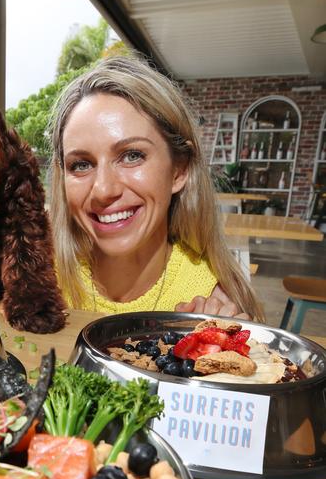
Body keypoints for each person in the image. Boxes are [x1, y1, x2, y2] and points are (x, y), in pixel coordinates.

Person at [49, 56, 264, 321]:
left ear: (179, 169)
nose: (103, 189)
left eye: (132, 156)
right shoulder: (34, 277)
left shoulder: (212, 304)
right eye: (81, 164)